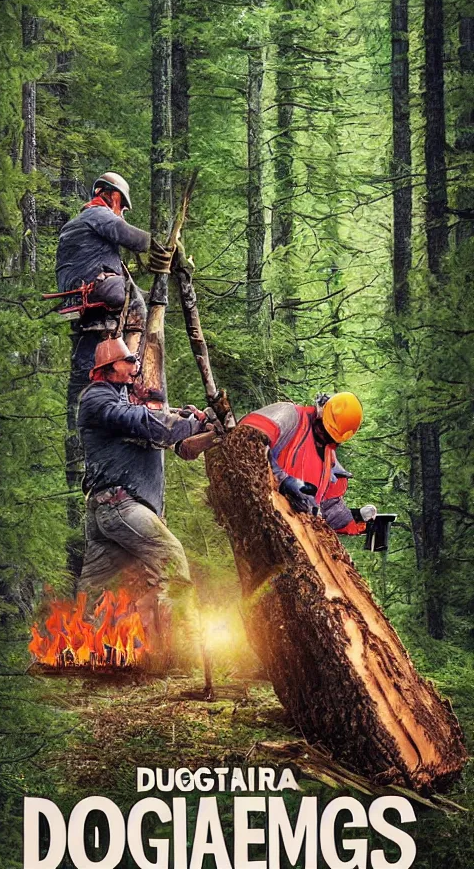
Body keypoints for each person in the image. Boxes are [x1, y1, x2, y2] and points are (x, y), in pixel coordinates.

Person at [77, 336, 218, 662]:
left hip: (109, 509)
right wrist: (188, 424)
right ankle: (183, 647)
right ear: (109, 367)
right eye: (127, 361)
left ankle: (84, 656)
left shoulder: (120, 400)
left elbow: (162, 428)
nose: (134, 365)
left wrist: (192, 423)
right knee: (171, 558)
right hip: (120, 507)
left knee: (93, 593)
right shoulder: (98, 398)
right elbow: (143, 422)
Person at [55, 171, 172, 394]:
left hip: (76, 298)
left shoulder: (75, 225)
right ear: (112, 196)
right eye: (123, 206)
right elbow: (123, 232)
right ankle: (131, 372)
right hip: (97, 290)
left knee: (85, 363)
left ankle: (78, 414)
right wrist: (157, 247)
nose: (123, 213)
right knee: (137, 304)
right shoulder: (97, 213)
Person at [239, 392, 376, 535]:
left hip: (286, 533)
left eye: (330, 438)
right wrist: (283, 480)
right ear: (321, 412)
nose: (324, 438)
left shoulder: (329, 460)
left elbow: (328, 507)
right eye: (323, 430)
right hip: (250, 507)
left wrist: (357, 521)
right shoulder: (289, 416)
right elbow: (245, 439)